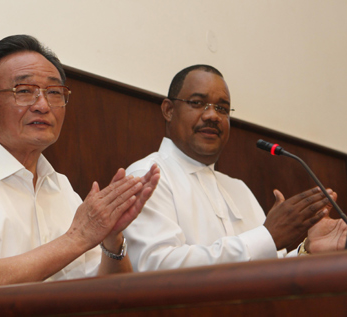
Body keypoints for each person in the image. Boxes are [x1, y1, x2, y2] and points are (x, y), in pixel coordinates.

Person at [0, 35, 160, 317]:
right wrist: (78, 237)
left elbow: (113, 296)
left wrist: (111, 239)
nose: (43, 105)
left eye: (54, 93)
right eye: (24, 90)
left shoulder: (61, 187)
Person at [123, 64, 346, 272]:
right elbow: (157, 266)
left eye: (222, 108)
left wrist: (308, 250)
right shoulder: (146, 176)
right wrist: (267, 235)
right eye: (198, 103)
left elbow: (268, 270)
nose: (212, 115)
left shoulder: (237, 188)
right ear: (169, 110)